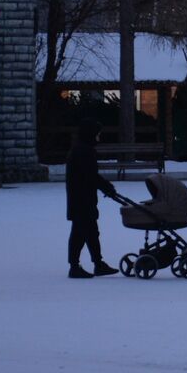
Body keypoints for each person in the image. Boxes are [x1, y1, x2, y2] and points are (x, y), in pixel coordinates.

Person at [65, 118, 119, 278]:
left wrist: (105, 187)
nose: (99, 137)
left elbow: (90, 176)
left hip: (81, 198)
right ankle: (76, 266)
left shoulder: (81, 149)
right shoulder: (84, 151)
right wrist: (107, 187)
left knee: (88, 232)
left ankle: (97, 263)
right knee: (82, 233)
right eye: (97, 134)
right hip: (82, 199)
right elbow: (90, 176)